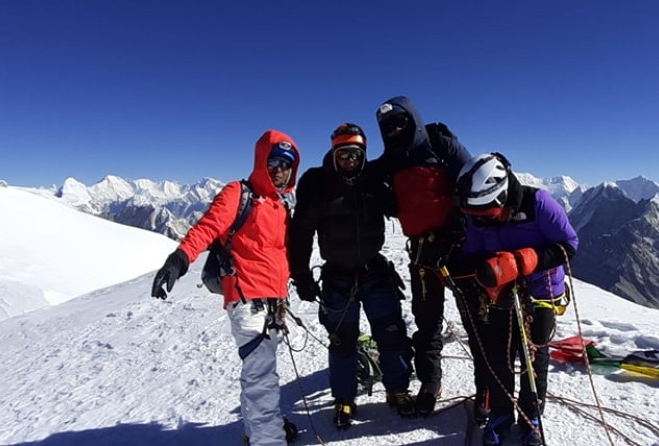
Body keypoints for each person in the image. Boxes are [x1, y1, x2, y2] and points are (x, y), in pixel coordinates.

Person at [151, 130, 301, 446]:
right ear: (261, 162)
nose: (279, 170)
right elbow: (207, 227)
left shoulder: (281, 203)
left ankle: (260, 429)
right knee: (262, 378)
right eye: (273, 162)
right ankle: (268, 440)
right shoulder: (238, 193)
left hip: (275, 302)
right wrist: (179, 259)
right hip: (247, 299)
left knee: (260, 373)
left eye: (286, 165)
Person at [288, 123, 415, 427]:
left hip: (375, 269)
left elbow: (401, 206)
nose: (349, 160)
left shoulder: (373, 179)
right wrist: (301, 275)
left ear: (363, 154)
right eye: (343, 154)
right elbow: (301, 233)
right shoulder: (317, 183)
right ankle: (344, 398)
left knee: (391, 332)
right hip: (337, 274)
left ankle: (398, 389)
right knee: (342, 340)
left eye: (355, 154)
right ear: (334, 154)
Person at [447, 152, 579, 446]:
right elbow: (472, 252)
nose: (479, 221)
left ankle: (532, 416)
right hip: (502, 290)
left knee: (534, 352)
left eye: (486, 214)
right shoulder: (475, 213)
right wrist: (485, 272)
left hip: (542, 290)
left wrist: (525, 261)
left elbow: (568, 245)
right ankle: (502, 414)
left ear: (501, 197)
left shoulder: (539, 204)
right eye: (475, 216)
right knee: (499, 353)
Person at [372, 96, 472, 416]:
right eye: (387, 127)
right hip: (422, 250)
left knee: (475, 313)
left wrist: (459, 225)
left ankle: (490, 383)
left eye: (399, 123)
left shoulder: (439, 144)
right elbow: (363, 177)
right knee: (427, 319)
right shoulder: (389, 161)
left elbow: (472, 181)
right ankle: (430, 381)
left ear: (411, 120)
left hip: (458, 245)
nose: (393, 130)